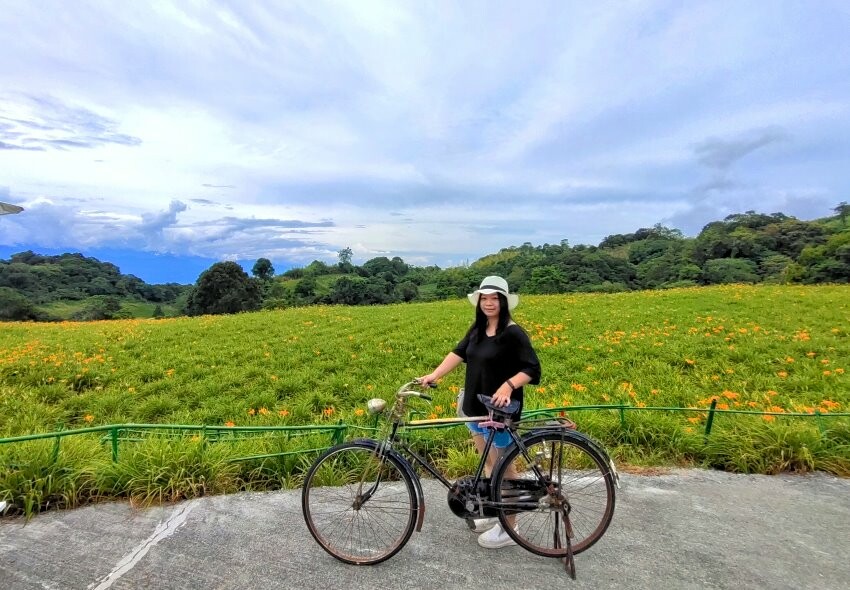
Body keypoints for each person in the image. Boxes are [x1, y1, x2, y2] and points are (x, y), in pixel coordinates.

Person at [419, 275, 541, 549]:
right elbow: (459, 353)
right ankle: (494, 511)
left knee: (504, 469)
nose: (488, 303)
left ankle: (510, 528)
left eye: (494, 298)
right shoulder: (478, 328)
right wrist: (434, 374)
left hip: (499, 414)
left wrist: (509, 386)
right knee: (488, 465)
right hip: (475, 410)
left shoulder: (513, 333)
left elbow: (532, 369)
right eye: (484, 298)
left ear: (503, 302)